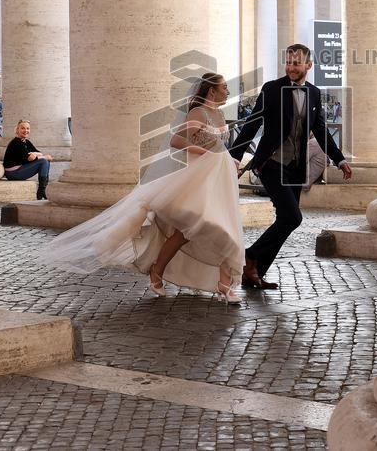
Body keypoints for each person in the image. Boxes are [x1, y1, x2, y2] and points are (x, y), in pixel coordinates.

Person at [38, 73, 244, 304]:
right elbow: (177, 141)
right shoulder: (199, 113)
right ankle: (158, 270)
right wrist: (206, 153)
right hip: (197, 181)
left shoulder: (219, 114)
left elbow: (218, 144)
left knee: (223, 227)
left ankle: (223, 284)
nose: (228, 91)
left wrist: (228, 159)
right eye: (224, 87)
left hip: (218, 178)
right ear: (211, 91)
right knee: (191, 231)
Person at [228, 44, 352, 289]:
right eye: (288, 62)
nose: (291, 67)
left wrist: (339, 159)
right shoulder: (272, 89)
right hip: (272, 164)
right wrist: (235, 156)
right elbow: (252, 124)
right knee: (293, 217)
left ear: (308, 65)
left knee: (286, 220)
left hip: (295, 167)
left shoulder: (314, 93)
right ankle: (250, 256)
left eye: (296, 63)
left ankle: (254, 272)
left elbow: (320, 130)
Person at [3, 120, 52, 200]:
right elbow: (30, 158)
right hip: (13, 173)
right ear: (17, 130)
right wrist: (39, 156)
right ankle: (41, 190)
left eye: (27, 128)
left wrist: (34, 154)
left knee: (46, 161)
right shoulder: (16, 142)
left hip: (20, 169)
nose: (26, 131)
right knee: (44, 161)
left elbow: (39, 153)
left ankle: (43, 189)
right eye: (22, 128)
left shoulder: (26, 141)